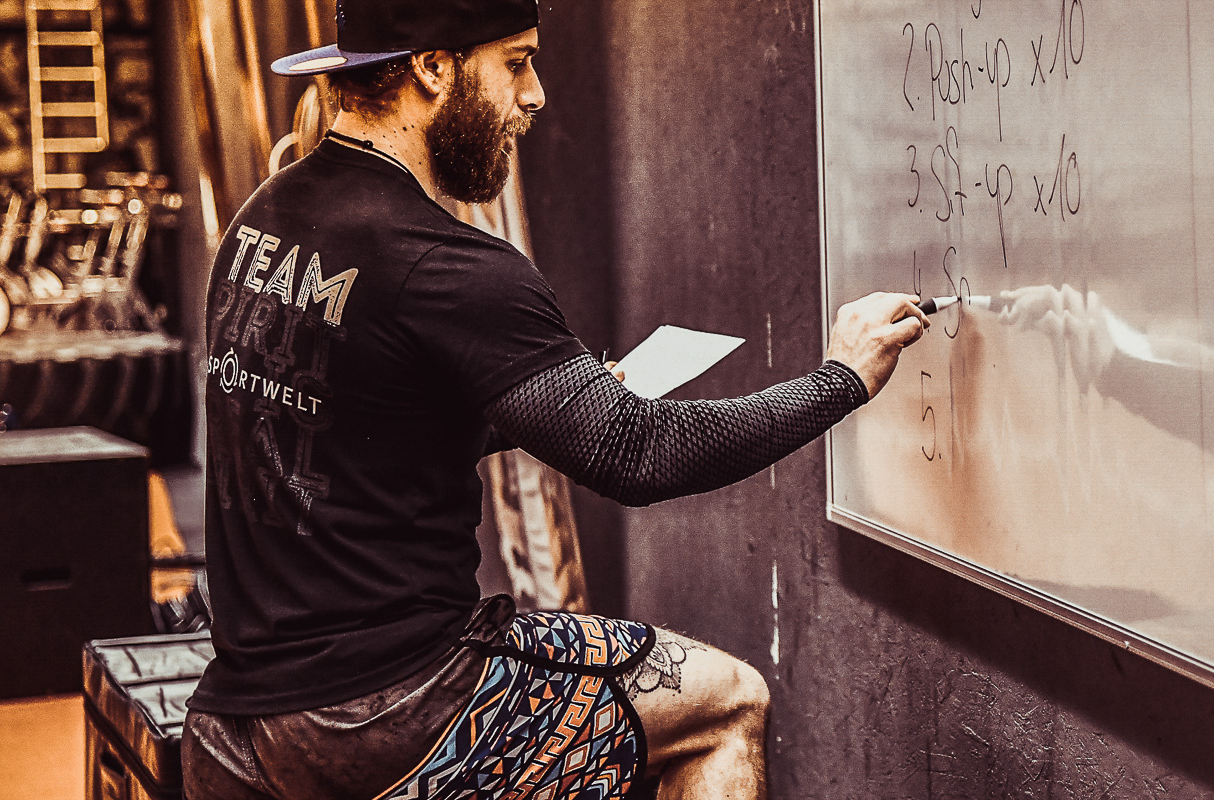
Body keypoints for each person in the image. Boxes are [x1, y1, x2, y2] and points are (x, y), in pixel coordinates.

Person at [181, 1, 930, 798]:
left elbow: (353, 423)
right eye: (514, 62)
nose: (535, 94)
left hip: (235, 726)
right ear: (434, 68)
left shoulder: (262, 222)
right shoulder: (449, 265)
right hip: (384, 716)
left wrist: (555, 400)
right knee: (726, 704)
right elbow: (638, 453)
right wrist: (840, 379)